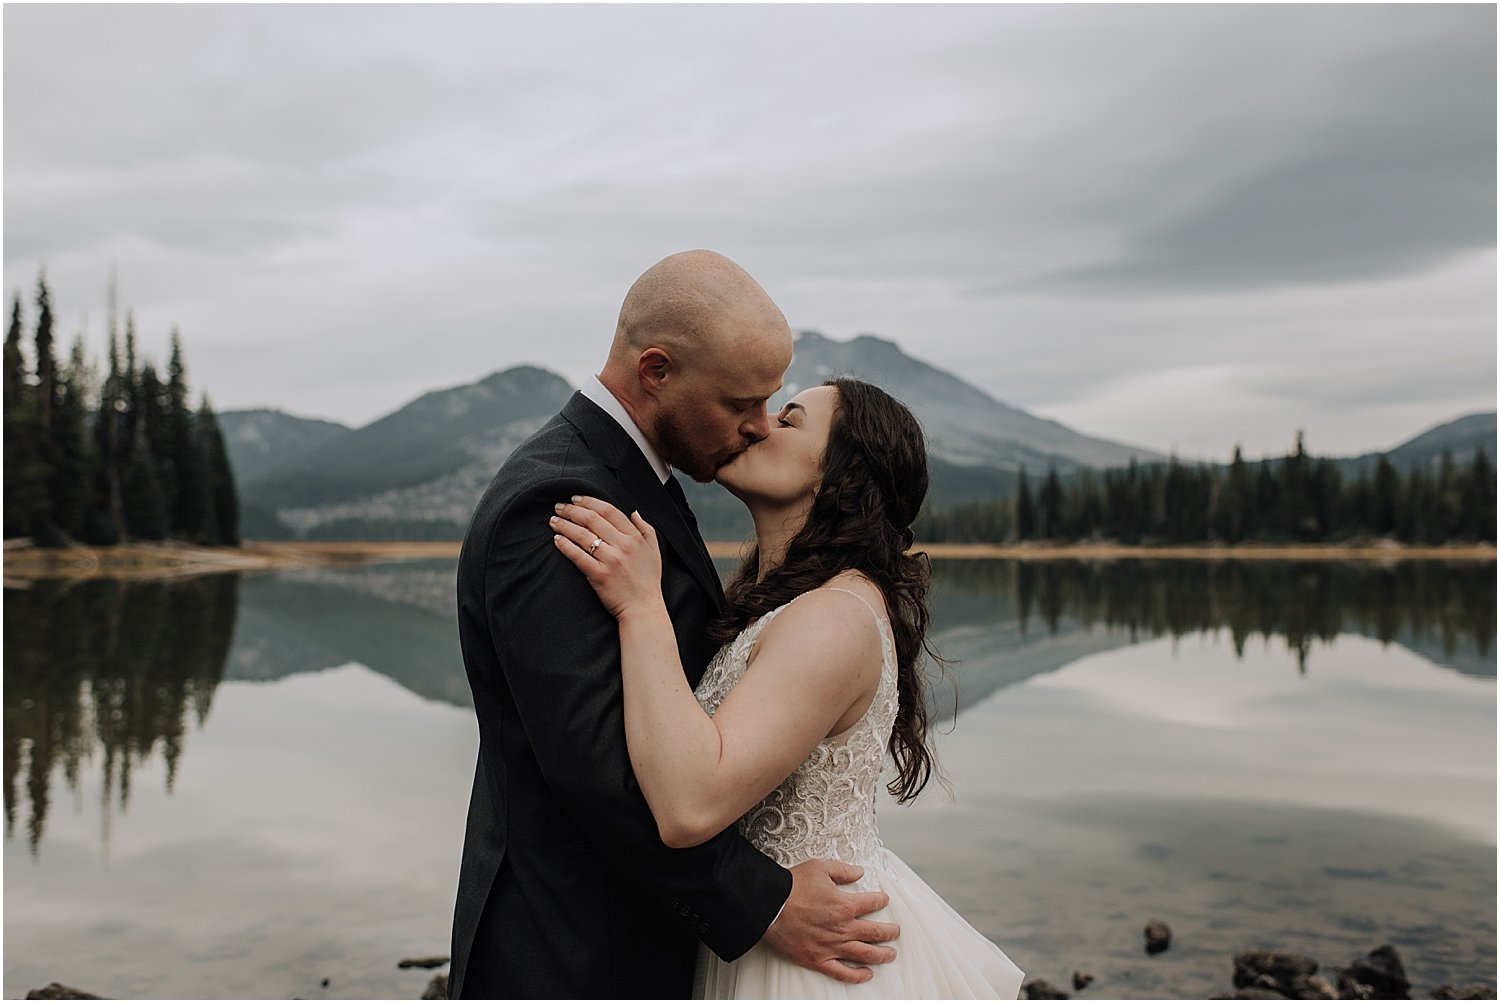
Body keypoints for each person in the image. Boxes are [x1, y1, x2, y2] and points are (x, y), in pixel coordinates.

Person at [449, 251, 901, 999]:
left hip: (644, 943)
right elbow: (603, 773)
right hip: (572, 954)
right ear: (657, 370)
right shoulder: (559, 503)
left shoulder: (643, 476)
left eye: (775, 404)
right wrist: (765, 903)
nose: (757, 427)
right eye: (741, 402)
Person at [551, 377, 1026, 998]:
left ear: (838, 477)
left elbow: (691, 806)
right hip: (770, 933)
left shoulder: (833, 617)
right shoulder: (786, 604)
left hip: (817, 961)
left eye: (791, 419)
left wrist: (640, 609)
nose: (758, 425)